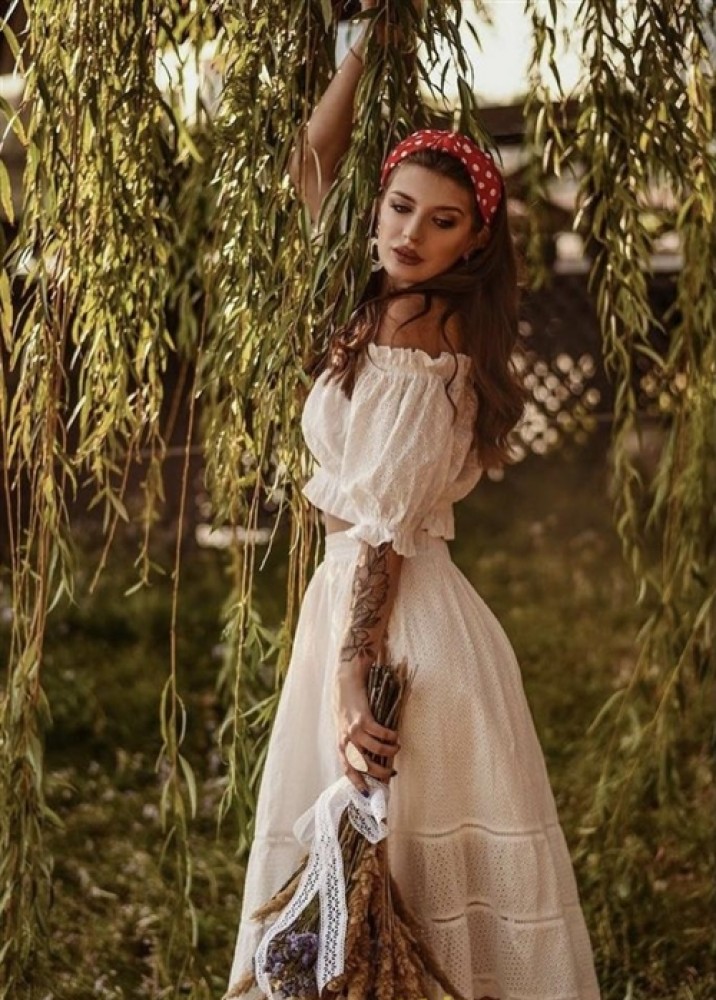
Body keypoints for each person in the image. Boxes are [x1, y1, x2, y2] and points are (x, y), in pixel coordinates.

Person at [227, 8, 601, 1000]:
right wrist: (363, 50)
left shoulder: (417, 336)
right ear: (378, 207)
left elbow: (384, 527)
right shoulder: (383, 302)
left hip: (395, 629)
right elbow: (309, 166)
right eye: (399, 207)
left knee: (397, 878)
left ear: (474, 240)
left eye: (441, 221)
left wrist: (354, 674)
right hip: (376, 603)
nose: (409, 233)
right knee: (381, 878)